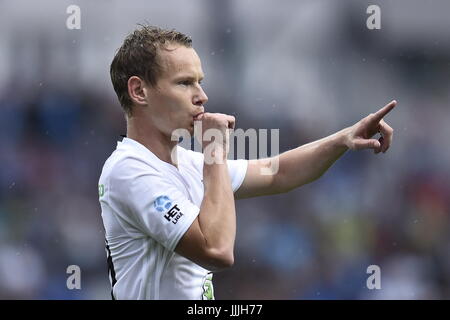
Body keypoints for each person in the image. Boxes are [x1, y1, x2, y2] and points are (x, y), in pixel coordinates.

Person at [98, 25, 396, 300]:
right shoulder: (129, 170)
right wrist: (215, 152)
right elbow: (217, 250)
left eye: (200, 82)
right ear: (139, 91)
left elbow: (278, 173)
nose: (202, 96)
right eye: (185, 83)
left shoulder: (185, 162)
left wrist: (343, 138)